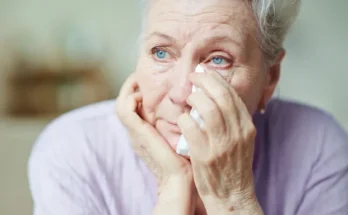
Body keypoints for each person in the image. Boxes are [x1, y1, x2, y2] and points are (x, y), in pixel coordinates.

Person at [28, 0, 348, 214]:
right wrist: (173, 186)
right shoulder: (73, 150)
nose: (181, 93)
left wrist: (232, 198)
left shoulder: (317, 149)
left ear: (270, 77)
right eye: (161, 52)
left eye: (218, 59)